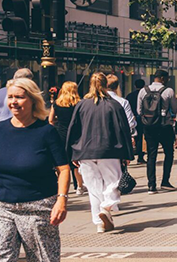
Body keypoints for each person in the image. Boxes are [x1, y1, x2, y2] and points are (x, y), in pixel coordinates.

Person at [0, 78, 70, 262]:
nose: (13, 102)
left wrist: (61, 200)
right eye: (10, 97)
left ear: (32, 100)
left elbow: (63, 169)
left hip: (38, 208)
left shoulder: (46, 131)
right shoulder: (0, 129)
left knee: (44, 259)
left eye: (20, 97)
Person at [64, 73, 131, 233]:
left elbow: (73, 129)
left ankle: (99, 223)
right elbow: (123, 130)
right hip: (109, 150)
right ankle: (106, 207)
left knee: (93, 189)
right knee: (113, 182)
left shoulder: (82, 105)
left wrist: (72, 153)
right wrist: (127, 154)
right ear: (106, 85)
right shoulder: (114, 105)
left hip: (85, 151)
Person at [137, 70, 177, 193]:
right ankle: (165, 181)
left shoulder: (143, 91)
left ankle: (151, 185)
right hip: (165, 126)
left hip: (149, 127)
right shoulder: (168, 91)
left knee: (151, 155)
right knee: (169, 153)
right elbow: (175, 109)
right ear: (163, 78)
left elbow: (139, 111)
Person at [48, 83, 84, 195]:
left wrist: (57, 124)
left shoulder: (57, 104)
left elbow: (50, 119)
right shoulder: (79, 104)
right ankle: (79, 186)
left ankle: (62, 186)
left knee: (62, 161)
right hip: (76, 134)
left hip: (61, 134)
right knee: (76, 162)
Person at [124, 78, 147, 164]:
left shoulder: (130, 96)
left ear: (135, 86)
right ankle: (140, 157)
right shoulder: (145, 95)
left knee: (134, 137)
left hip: (132, 118)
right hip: (142, 118)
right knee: (141, 137)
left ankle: (133, 153)